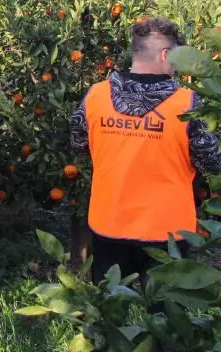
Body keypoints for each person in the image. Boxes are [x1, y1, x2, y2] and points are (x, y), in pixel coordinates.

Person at [70, 18, 221, 286]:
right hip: (168, 230)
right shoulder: (187, 104)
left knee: (110, 315)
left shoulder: (95, 96)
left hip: (109, 222)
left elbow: (79, 143)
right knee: (167, 320)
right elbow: (212, 161)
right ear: (166, 54)